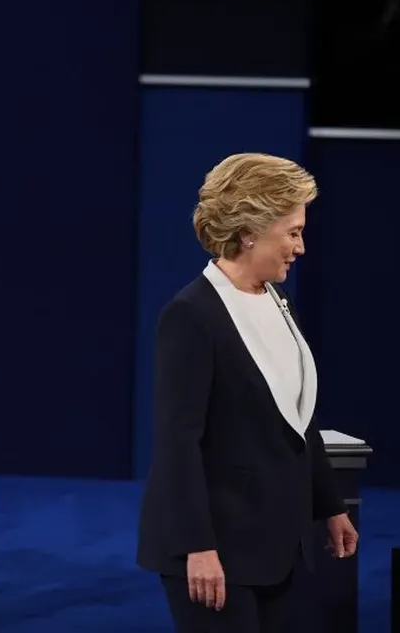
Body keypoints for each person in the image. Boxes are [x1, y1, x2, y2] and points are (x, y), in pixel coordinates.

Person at [135, 153, 359, 633]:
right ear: (249, 231)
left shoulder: (279, 302)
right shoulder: (191, 315)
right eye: (293, 232)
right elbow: (178, 442)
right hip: (214, 551)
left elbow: (296, 420)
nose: (300, 247)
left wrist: (331, 506)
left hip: (278, 545)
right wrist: (197, 548)